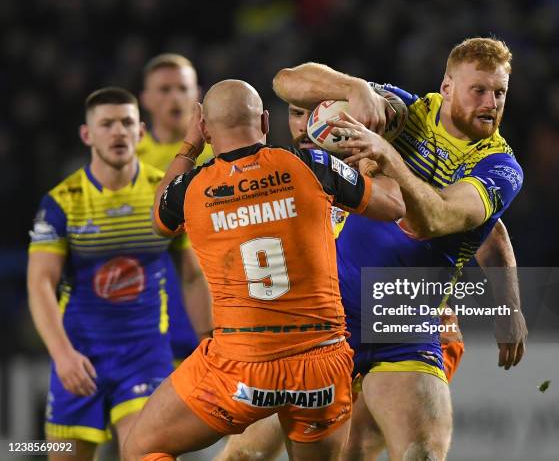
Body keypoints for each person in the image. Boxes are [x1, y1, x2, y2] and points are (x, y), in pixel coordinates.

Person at [216, 98, 522, 460]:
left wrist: (507, 309)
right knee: (246, 453)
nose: (309, 125)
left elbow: (488, 232)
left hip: (401, 330)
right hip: (321, 328)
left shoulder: (391, 166)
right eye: (298, 114)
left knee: (363, 450)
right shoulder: (289, 176)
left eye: (321, 113)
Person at [122, 79, 405, 461]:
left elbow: (159, 218)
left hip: (240, 364)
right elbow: (393, 206)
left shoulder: (191, 189)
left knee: (143, 448)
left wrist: (189, 147)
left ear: (206, 128)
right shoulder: (310, 165)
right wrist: (379, 147)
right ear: (266, 121)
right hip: (319, 362)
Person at [27, 87, 212, 461]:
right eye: (106, 124)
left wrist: (210, 339)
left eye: (126, 123)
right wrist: (62, 355)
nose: (118, 132)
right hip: (80, 359)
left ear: (140, 132)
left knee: (146, 453)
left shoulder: (165, 195)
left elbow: (192, 275)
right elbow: (40, 283)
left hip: (145, 356)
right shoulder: (63, 201)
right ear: (87, 135)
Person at [138, 53, 215, 361]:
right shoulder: (128, 157)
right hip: (149, 305)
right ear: (146, 98)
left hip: (212, 300)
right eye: (164, 89)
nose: (175, 97)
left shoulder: (219, 151)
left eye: (183, 88)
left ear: (197, 94)